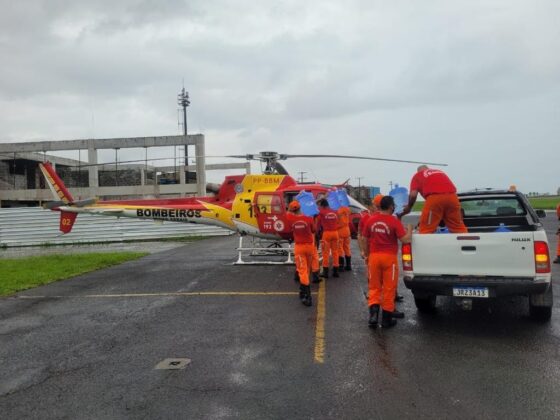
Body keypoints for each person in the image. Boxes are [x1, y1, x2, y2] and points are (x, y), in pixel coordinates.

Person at [363, 196, 412, 328]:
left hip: (374, 257)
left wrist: (367, 254)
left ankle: (373, 316)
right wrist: (410, 229)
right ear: (390, 206)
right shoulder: (393, 221)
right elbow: (405, 240)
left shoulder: (371, 220)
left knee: (374, 287)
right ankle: (386, 319)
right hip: (389, 258)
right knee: (389, 288)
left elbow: (365, 238)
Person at [398, 165, 468, 234]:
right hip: (453, 197)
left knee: (426, 230)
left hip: (435, 199)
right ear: (428, 169)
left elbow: (413, 195)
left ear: (418, 171)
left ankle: (425, 241)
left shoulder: (418, 175)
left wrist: (409, 207)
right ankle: (465, 240)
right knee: (458, 228)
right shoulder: (439, 172)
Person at [286, 201, 316, 306]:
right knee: (307, 269)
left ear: (291, 210)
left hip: (299, 247)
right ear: (300, 208)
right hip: (310, 246)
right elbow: (314, 230)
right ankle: (302, 291)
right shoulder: (309, 219)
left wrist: (289, 211)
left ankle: (307, 296)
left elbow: (287, 219)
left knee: (302, 271)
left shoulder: (290, 219)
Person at [317, 198, 340, 278]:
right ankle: (336, 271)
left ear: (322, 205)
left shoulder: (321, 212)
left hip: (326, 233)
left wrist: (317, 232)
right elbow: (338, 221)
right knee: (335, 252)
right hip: (335, 233)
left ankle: (325, 272)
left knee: (325, 253)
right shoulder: (335, 211)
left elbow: (318, 223)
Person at [337, 203, 352, 271]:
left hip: (340, 230)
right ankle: (349, 265)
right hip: (347, 230)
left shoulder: (338, 210)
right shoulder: (347, 209)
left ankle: (341, 266)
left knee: (340, 248)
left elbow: (338, 222)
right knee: (347, 247)